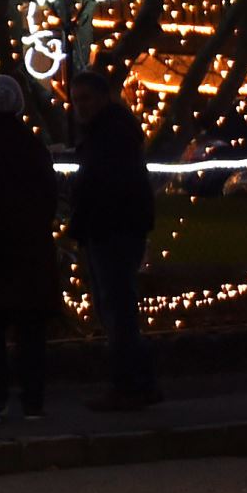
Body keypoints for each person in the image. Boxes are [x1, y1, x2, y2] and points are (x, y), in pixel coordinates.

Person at [67, 67, 161, 410]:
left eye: (86, 99)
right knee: (119, 309)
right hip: (115, 226)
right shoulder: (113, 130)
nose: (81, 106)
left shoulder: (110, 134)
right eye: (77, 100)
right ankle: (139, 381)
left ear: (104, 97)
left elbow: (104, 183)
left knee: (117, 309)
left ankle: (129, 385)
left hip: (111, 228)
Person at [0, 74, 58, 420]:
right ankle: (33, 400)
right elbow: (48, 193)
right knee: (30, 329)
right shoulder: (30, 143)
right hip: (29, 247)